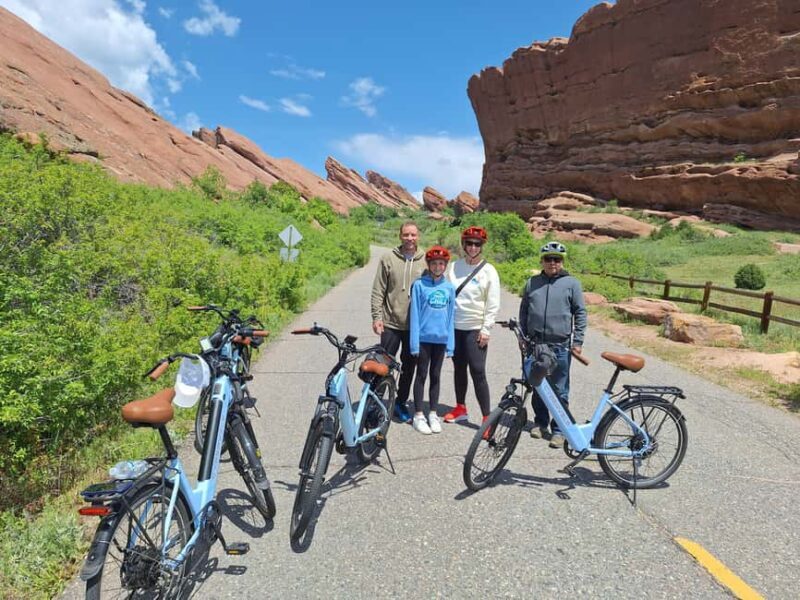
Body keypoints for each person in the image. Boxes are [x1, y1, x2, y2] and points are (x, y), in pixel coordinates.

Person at [518, 241, 587, 448]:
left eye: (557, 259)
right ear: (542, 260)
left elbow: (580, 313)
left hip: (560, 345)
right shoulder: (532, 282)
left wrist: (578, 341)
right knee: (538, 385)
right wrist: (523, 336)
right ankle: (540, 424)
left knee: (559, 389)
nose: (552, 263)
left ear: (562, 262)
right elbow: (524, 311)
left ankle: (559, 430)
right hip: (536, 345)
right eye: (548, 258)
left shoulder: (572, 284)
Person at [443, 226, 500, 431]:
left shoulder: (489, 271)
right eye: (469, 243)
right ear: (464, 245)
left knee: (478, 371)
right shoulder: (454, 267)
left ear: (481, 246)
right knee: (459, 369)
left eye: (477, 244)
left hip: (475, 327)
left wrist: (486, 329)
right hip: (455, 327)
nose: (473, 247)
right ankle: (460, 408)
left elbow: (492, 303)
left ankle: (487, 418)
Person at [371, 222, 427, 422]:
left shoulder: (426, 260)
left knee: (408, 367)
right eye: (406, 234)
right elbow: (379, 290)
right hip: (391, 323)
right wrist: (377, 317)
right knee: (382, 364)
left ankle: (400, 403)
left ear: (418, 236)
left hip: (415, 327)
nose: (410, 238)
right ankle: (374, 403)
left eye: (413, 234)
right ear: (400, 235)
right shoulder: (388, 258)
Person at [409, 246, 456, 435]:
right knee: (421, 374)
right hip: (423, 339)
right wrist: (413, 344)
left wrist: (450, 345)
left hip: (441, 339)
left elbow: (451, 316)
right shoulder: (420, 285)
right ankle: (419, 414)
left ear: (445, 266)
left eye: (441, 263)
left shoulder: (449, 288)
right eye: (434, 263)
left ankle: (433, 413)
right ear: (429, 265)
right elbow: (414, 316)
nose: (438, 266)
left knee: (436, 376)